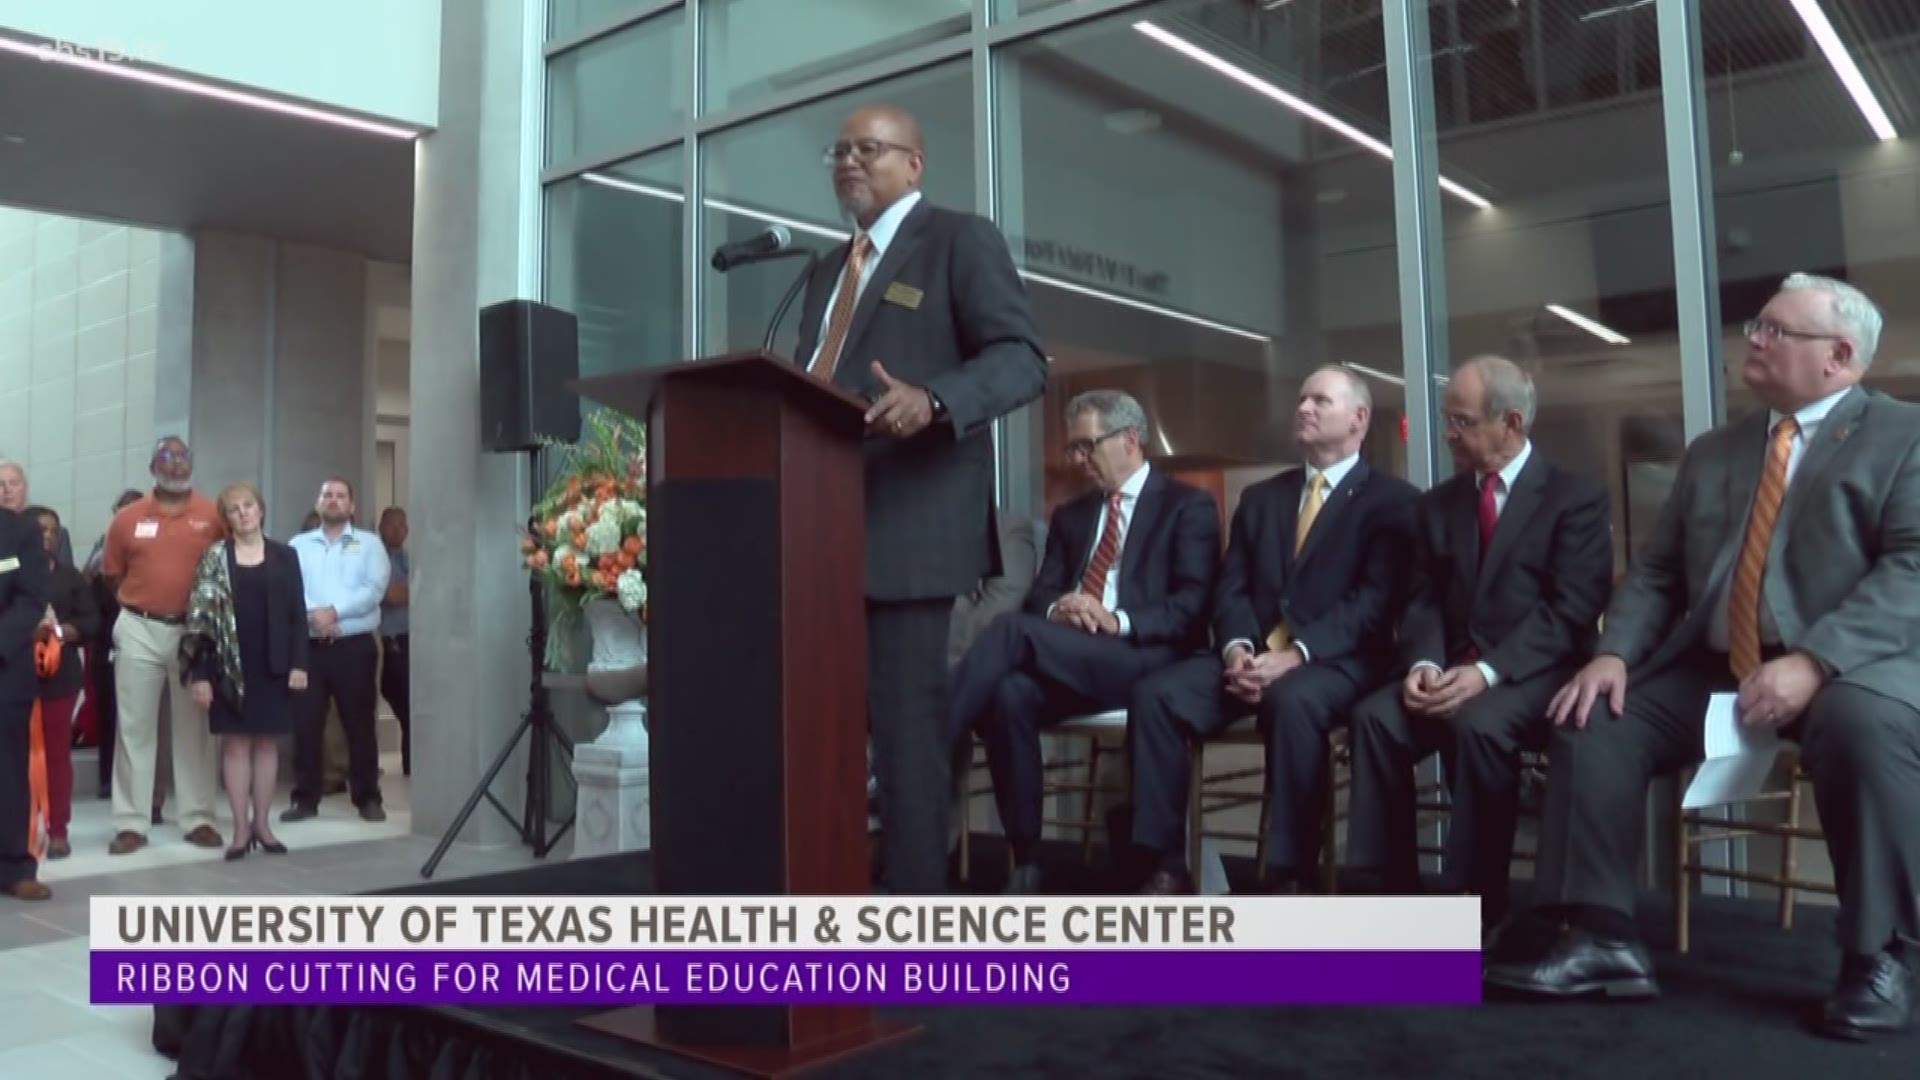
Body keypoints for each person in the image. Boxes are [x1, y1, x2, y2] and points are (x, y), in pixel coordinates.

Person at [1484, 274, 1920, 1042]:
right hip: (1718, 661)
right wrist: (1614, 652)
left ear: (1840, 355)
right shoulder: (1716, 450)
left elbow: (1911, 567)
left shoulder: (1903, 436)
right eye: (1759, 325)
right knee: (1592, 717)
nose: (1754, 338)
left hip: (1850, 666)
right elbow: (1656, 571)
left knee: (1861, 728)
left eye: (1777, 331)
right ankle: (1598, 937)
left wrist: (1814, 661)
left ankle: (1878, 957)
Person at [791, 103, 1048, 893]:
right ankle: (831, 904)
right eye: (839, 151)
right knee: (823, 741)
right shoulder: (825, 272)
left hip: (910, 535)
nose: (849, 162)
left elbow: (1021, 359)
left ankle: (913, 930)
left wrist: (935, 401)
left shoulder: (958, 241)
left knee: (908, 743)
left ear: (915, 162)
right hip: (821, 533)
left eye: (869, 149)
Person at [1127, 366, 1417, 894]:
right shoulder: (1261, 499)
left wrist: (1297, 655)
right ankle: (1165, 864)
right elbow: (1230, 586)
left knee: (1294, 703)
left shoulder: (1392, 501)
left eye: (1320, 400)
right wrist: (1237, 649)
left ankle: (1291, 873)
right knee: (1157, 695)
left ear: (1358, 419)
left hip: (1337, 662)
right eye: (1302, 398)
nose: (1303, 407)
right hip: (1251, 658)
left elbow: (1373, 603)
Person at [1344, 358, 1612, 927]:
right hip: (1447, 666)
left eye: (1461, 422)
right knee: (1375, 718)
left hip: (1532, 672)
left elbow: (1570, 613)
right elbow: (1422, 600)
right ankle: (1389, 901)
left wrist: (1486, 673)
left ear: (1510, 423)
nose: (1448, 434)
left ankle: (1478, 907)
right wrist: (1422, 662)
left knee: (1480, 725)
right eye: (1448, 420)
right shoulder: (1437, 505)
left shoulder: (1575, 499)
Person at [951, 391, 1219, 894]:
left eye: (1086, 446)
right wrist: (1063, 607)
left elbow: (1192, 606)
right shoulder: (1072, 516)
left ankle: (932, 742)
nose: (1077, 460)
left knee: (1009, 633)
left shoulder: (1188, 506)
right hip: (1076, 656)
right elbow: (1039, 597)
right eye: (1073, 449)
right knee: (1009, 693)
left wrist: (1115, 618)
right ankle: (1027, 858)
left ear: (1130, 440)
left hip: (1147, 657)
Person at [101, 437, 227, 854]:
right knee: (134, 727)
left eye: (183, 457)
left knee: (195, 728)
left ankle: (198, 817)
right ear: (151, 465)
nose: (175, 465)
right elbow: (112, 575)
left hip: (192, 632)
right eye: (166, 458)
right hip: (139, 625)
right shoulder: (127, 518)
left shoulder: (212, 515)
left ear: (193, 463)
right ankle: (131, 822)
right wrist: (145, 604)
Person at [183, 483, 308, 859]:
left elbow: (297, 615)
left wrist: (299, 663)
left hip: (274, 663)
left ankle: (263, 825)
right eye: (234, 509)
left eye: (249, 506)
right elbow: (200, 622)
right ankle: (239, 830)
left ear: (261, 510)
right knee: (236, 745)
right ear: (226, 519)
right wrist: (201, 674)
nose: (243, 513)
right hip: (228, 666)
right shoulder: (214, 558)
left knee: (267, 744)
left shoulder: (286, 555)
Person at [285, 479, 391, 823]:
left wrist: (334, 613)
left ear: (352, 506)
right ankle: (305, 799)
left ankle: (367, 798)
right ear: (318, 503)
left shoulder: (370, 544)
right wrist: (317, 617)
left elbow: (373, 590)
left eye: (340, 496)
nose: (333, 501)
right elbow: (290, 589)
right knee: (306, 725)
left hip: (354, 646)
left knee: (359, 725)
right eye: (327, 495)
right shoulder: (297, 545)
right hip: (308, 648)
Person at [24, 506, 98, 860]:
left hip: (59, 678)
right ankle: (18, 831)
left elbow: (92, 622)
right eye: (40, 529)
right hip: (15, 674)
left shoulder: (70, 577)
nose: (48, 536)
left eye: (53, 530)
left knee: (55, 756)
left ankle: (57, 831)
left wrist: (59, 631)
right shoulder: (7, 569)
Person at [0, 503, 52, 900]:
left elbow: (31, 598)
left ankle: (16, 865)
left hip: (5, 666)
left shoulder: (21, 531)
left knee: (9, 770)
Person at [84, 489, 146, 798]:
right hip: (107, 645)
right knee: (109, 714)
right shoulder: (101, 554)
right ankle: (108, 780)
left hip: (147, 644)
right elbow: (88, 598)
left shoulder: (153, 553)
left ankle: (142, 786)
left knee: (141, 721)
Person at [377, 507, 411, 777]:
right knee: (401, 700)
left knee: (413, 707)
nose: (399, 530)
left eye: (403, 525)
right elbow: (392, 596)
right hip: (388, 642)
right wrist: (417, 588)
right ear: (381, 527)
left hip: (412, 639)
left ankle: (412, 766)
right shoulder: (378, 558)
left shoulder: (408, 558)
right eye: (392, 524)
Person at [0, 461, 72, 568]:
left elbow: (66, 576)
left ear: (25, 488)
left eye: (14, 483)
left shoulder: (55, 532)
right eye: (1, 484)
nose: (8, 490)